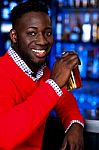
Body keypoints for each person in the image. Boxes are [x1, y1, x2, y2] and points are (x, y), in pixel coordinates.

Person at [0, 1, 84, 150]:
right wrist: (53, 84)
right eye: (32, 33)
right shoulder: (2, 72)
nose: (43, 41)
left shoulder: (42, 71)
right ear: (14, 36)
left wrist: (75, 124)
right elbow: (4, 137)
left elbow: (65, 100)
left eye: (48, 33)